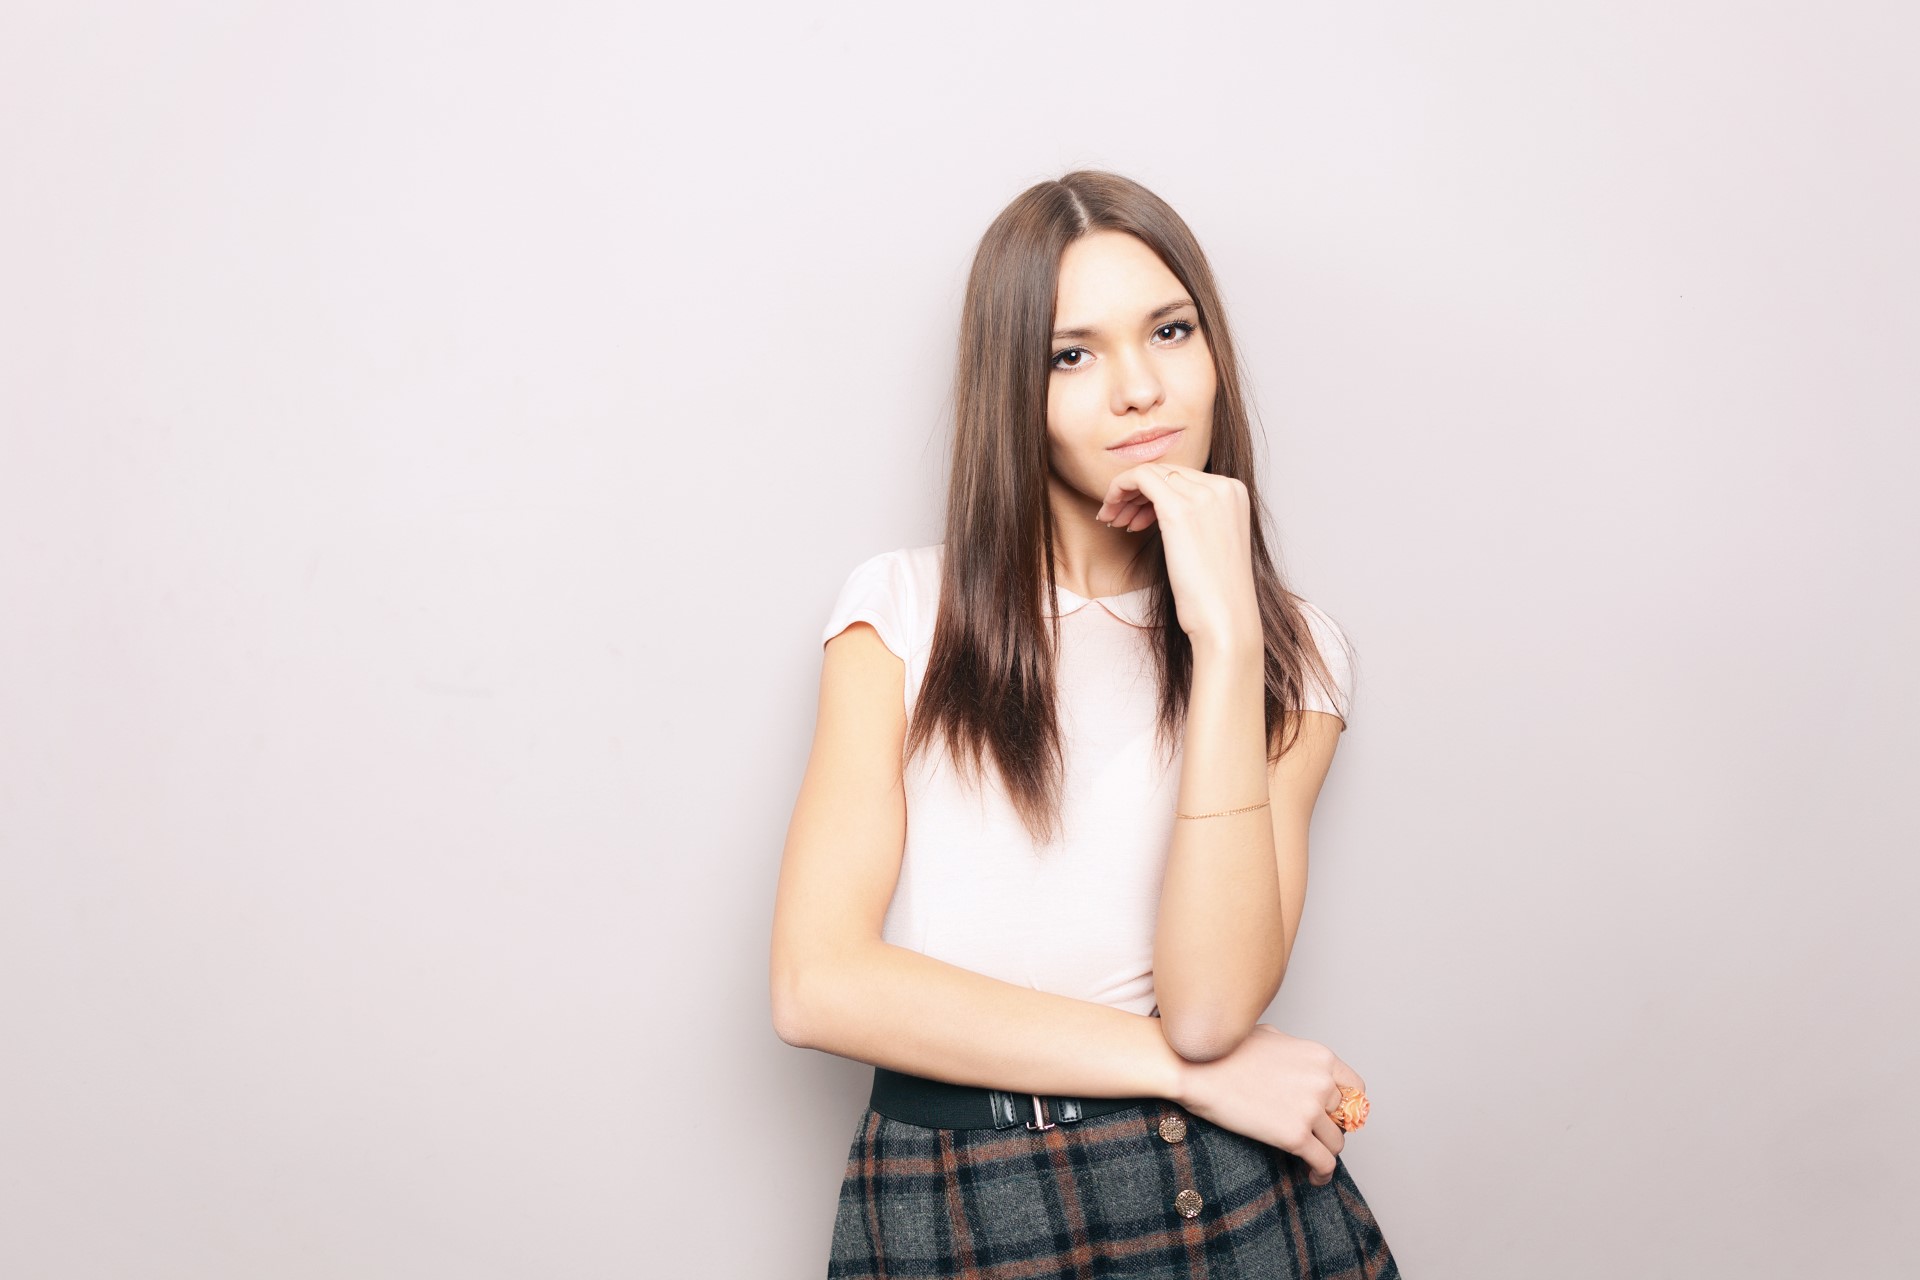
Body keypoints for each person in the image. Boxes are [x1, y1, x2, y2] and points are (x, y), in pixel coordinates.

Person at [770, 170, 1400, 1278]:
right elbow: (817, 982)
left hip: (1227, 1195)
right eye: (1074, 353)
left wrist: (1230, 638)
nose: (1140, 389)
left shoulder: (1294, 653)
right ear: (1012, 385)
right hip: (965, 1189)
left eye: (1170, 330)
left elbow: (1209, 1006)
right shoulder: (904, 612)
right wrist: (1186, 1073)